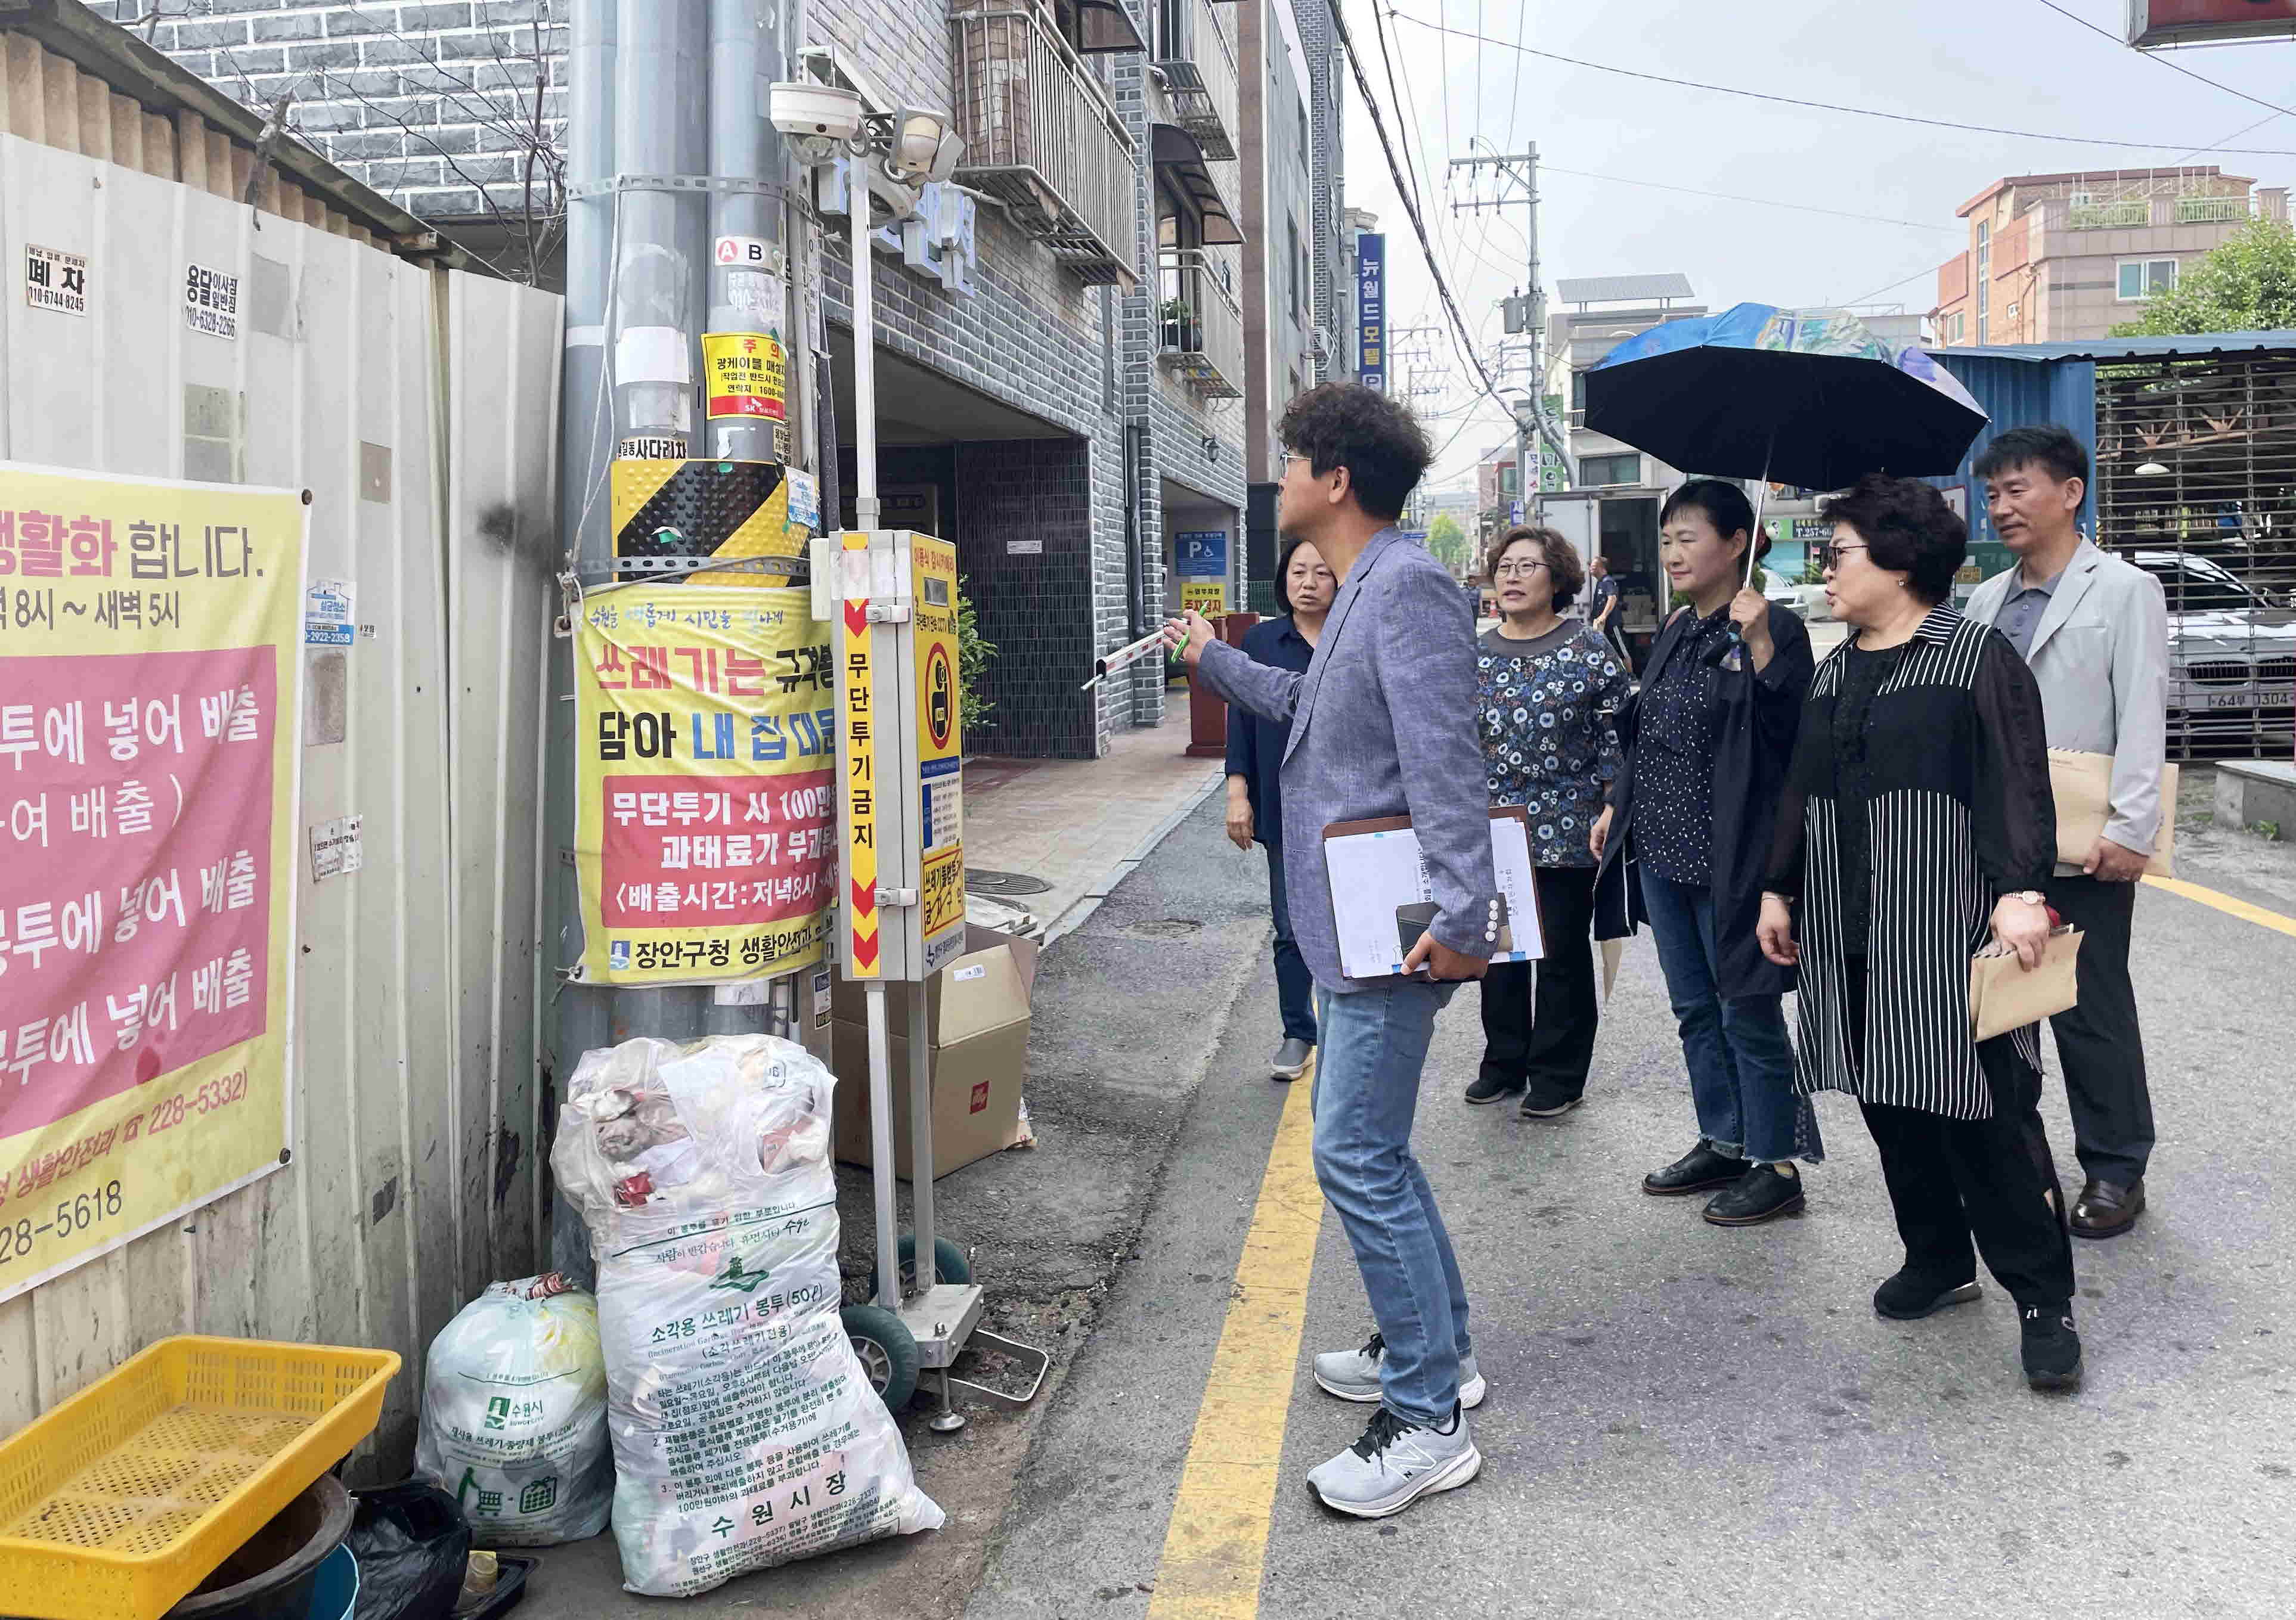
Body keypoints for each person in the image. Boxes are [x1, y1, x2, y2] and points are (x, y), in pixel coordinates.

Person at [1166, 381, 1497, 1520]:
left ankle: (1426, 1416)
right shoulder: (1371, 586)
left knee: (1354, 1156)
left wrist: (1466, 913)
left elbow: (1443, 756)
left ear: (1337, 479)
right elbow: (1320, 716)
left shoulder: (1402, 588)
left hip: (1391, 925)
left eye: (1293, 458)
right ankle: (1441, 1356)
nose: (1280, 477)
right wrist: (1212, 660)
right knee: (1377, 1154)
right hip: (1354, 921)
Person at [1757, 473, 2082, 1392]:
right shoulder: (1835, 664)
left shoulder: (1974, 657)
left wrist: (2019, 888)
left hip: (1942, 929)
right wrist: (1777, 887)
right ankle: (1936, 1257)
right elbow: (1800, 787)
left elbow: (2015, 780)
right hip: (1847, 926)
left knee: (1985, 1109)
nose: (1823, 568)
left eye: (1838, 553)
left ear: (1899, 561)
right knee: (1888, 1096)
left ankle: (2040, 1294)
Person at [1591, 478, 1818, 1227]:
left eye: (1689, 537)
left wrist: (1756, 644)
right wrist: (1616, 803)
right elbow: (1645, 732)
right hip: (1661, 850)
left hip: (1734, 857)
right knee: (1694, 1009)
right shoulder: (1677, 630)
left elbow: (1789, 738)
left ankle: (1775, 1161)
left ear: (1737, 544)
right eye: (1667, 539)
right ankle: (1722, 1138)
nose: (1673, 552)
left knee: (1743, 1009)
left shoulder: (1773, 629)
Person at [1964, 426, 2170, 1240]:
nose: (2001, 505)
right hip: (1995, 840)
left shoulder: (2121, 588)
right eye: (1992, 492)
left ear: (2069, 492)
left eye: (2017, 489)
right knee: (2002, 1003)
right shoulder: (1984, 599)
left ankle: (2116, 1165)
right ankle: (2017, 1166)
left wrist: (2132, 827)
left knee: (2088, 1005)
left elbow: (2143, 710)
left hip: (2084, 836)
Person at [1466, 525, 1630, 1117]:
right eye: (1504, 566)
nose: (1511, 576)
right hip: (1492, 827)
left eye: (1527, 566)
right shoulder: (1476, 652)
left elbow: (1617, 733)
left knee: (1559, 954)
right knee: (1500, 953)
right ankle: (1503, 1063)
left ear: (1557, 579)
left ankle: (1557, 1076)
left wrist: (1613, 803)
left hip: (1568, 826)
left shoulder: (1586, 648)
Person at [1225, 537, 1338, 1081]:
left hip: (1349, 810)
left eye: (1321, 572)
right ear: (1283, 579)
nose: (1309, 582)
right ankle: (1298, 1032)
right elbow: (1241, 722)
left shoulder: (1352, 639)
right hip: (1280, 803)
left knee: (1349, 923)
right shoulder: (1261, 640)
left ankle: (1345, 1029)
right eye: (1298, 571)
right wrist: (1237, 793)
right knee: (1290, 927)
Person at [1588, 553, 1629, 669]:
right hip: (1603, 626)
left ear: (1602, 568)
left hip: (1612, 625)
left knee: (1622, 651)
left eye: (1594, 566)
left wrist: (1603, 616)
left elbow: (1612, 598)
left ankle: (1631, 675)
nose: (1591, 568)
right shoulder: (1600, 583)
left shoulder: (1607, 582)